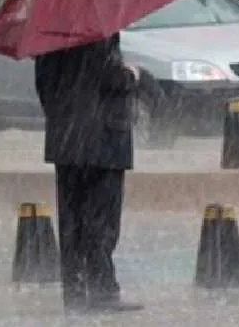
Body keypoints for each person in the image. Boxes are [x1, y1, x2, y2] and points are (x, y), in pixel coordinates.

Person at [34, 33, 144, 314]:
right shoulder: (97, 30)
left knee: (72, 220)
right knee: (101, 220)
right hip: (103, 140)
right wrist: (132, 74)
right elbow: (108, 76)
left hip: (67, 140)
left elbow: (44, 86)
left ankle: (75, 290)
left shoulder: (50, 33)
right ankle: (102, 290)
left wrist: (64, 118)